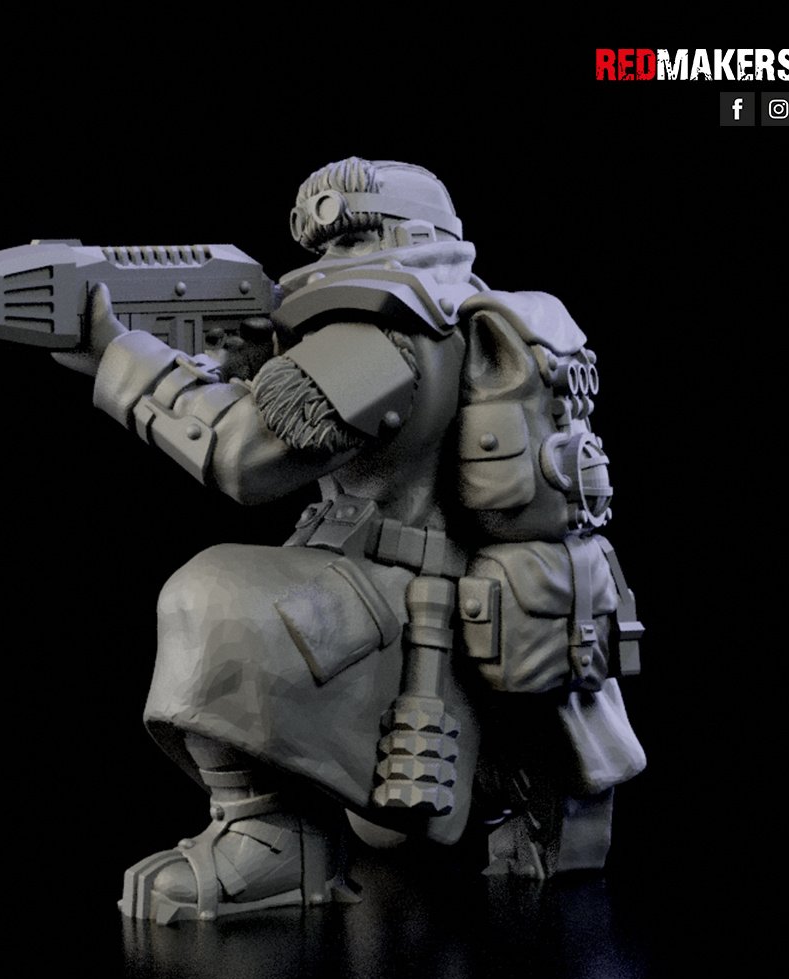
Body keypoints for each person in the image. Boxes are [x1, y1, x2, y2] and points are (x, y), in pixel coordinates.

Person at [78, 157, 645, 925]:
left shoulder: (387, 333)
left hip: (408, 618)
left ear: (394, 237)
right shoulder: (474, 322)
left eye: (345, 240)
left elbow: (244, 459)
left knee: (212, 596)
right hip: (460, 612)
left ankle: (275, 842)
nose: (327, 261)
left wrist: (118, 359)